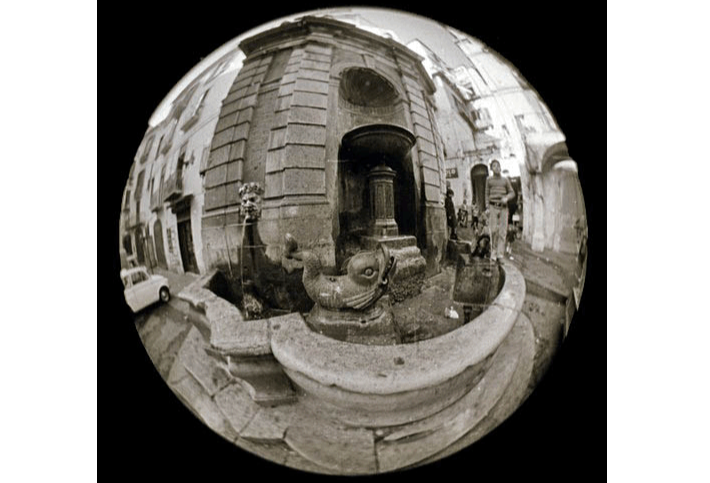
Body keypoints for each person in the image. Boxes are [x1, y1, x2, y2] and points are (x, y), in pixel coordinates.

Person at [485, 159, 514, 261]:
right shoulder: (489, 180)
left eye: (498, 165)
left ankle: (500, 255)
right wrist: (487, 207)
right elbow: (487, 194)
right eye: (494, 166)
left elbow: (512, 193)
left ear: (500, 167)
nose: (496, 167)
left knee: (502, 231)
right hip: (493, 207)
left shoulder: (505, 180)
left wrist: (506, 197)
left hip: (503, 208)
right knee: (493, 230)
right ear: (491, 169)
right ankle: (493, 253)